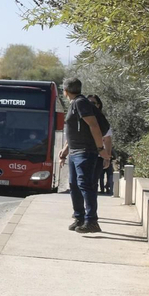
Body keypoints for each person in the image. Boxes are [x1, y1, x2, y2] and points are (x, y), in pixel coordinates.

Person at [58, 78, 113, 234]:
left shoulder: (80, 103)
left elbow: (93, 125)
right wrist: (66, 150)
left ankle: (92, 221)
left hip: (85, 151)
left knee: (85, 185)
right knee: (74, 185)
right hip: (75, 152)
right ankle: (80, 218)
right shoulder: (76, 103)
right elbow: (76, 130)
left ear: (65, 91)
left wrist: (100, 149)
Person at [89, 95, 116, 194]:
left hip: (98, 156)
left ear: (98, 105)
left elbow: (108, 140)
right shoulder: (82, 117)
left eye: (93, 103)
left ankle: (91, 202)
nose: (90, 105)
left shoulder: (102, 120)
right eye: (88, 103)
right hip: (82, 154)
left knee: (93, 182)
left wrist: (107, 158)